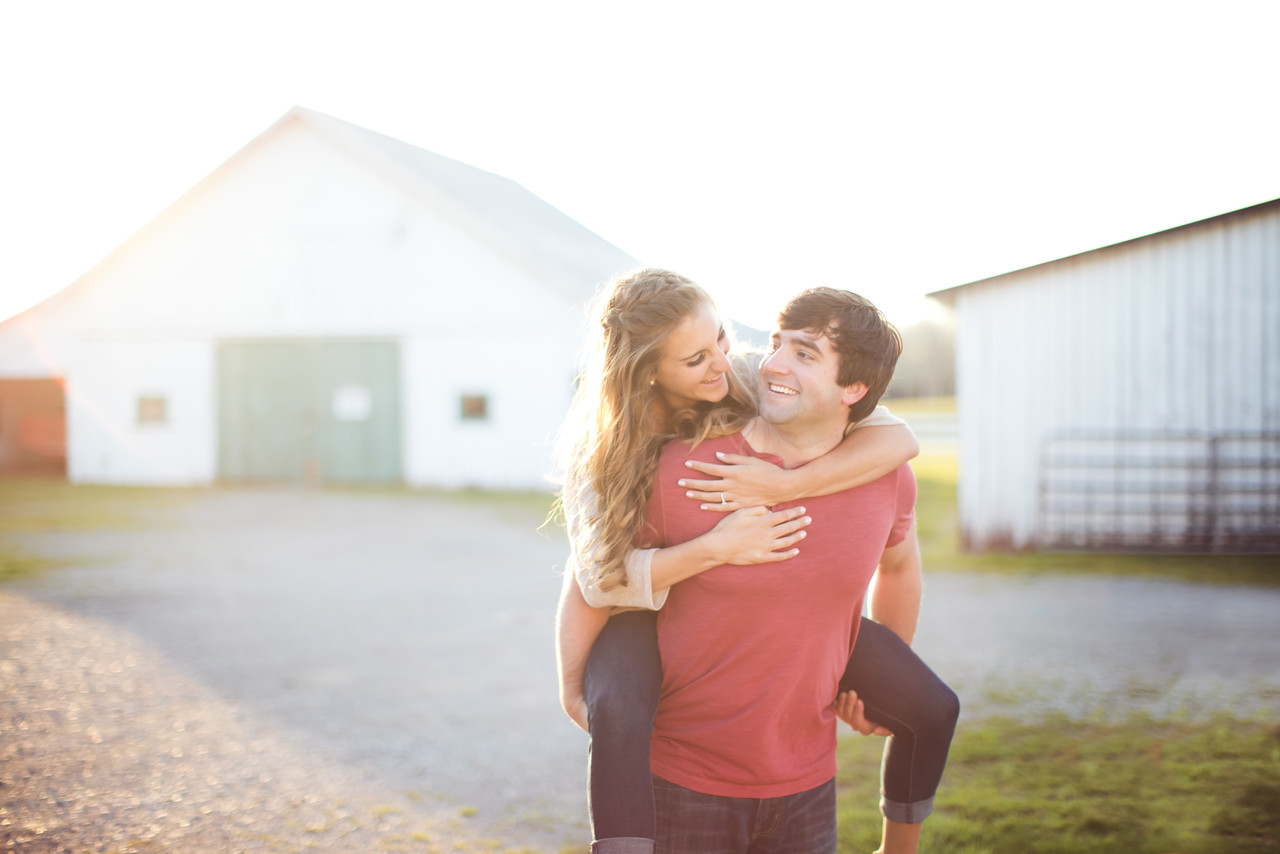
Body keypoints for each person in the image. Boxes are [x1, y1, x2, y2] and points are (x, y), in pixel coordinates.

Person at [554, 270, 957, 854]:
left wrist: (788, 484)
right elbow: (593, 575)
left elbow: (898, 442)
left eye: (724, 339)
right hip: (681, 755)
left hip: (806, 782)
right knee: (617, 703)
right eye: (697, 357)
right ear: (650, 372)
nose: (733, 361)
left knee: (934, 706)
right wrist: (573, 682)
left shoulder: (749, 379)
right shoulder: (635, 463)